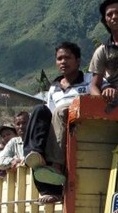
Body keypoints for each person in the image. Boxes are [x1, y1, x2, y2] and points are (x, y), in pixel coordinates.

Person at [23, 41, 93, 203]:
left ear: (78, 61)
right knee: (39, 110)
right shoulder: (53, 88)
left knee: (62, 109)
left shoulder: (89, 80)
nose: (63, 62)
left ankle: (56, 165)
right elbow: (49, 114)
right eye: (59, 58)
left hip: (79, 128)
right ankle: (34, 155)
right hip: (58, 128)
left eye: (67, 57)